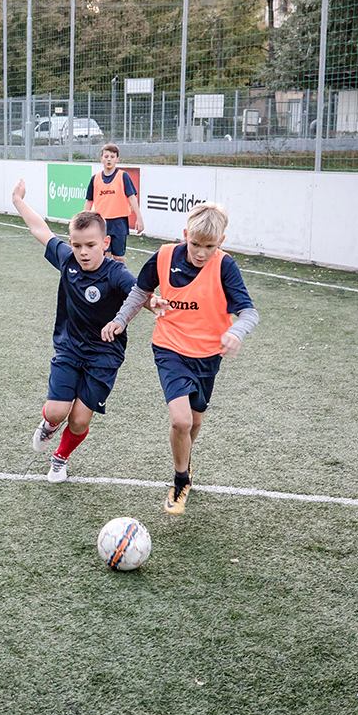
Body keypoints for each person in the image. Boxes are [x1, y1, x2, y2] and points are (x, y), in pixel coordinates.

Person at [102, 202, 259, 515]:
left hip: (208, 356)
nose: (201, 253)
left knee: (195, 420)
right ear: (186, 235)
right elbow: (139, 292)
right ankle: (180, 479)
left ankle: (185, 460)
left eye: (209, 246)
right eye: (195, 244)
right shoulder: (163, 256)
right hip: (169, 347)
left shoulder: (225, 266)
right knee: (181, 419)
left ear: (221, 242)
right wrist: (121, 319)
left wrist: (236, 332)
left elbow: (249, 312)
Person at [13, 178, 145, 483]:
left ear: (106, 243)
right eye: (77, 245)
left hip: (104, 355)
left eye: (90, 245)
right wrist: (18, 200)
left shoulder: (116, 273)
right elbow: (40, 230)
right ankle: (47, 425)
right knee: (57, 412)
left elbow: (139, 292)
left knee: (80, 419)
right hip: (70, 348)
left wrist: (158, 304)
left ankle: (60, 459)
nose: (83, 252)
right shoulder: (68, 260)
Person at [83, 143, 143, 263]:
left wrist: (139, 218)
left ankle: (120, 280)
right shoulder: (95, 179)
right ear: (101, 159)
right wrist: (83, 222)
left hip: (119, 222)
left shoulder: (123, 176)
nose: (109, 159)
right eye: (106, 156)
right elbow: (89, 201)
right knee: (104, 256)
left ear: (117, 159)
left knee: (118, 257)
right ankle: (105, 281)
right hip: (101, 222)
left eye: (112, 156)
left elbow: (132, 198)